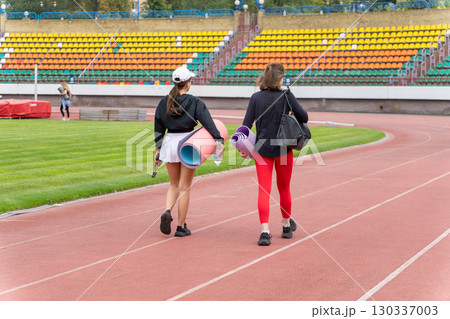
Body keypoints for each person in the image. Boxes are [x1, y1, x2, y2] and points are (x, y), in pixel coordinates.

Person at [242, 62, 308, 246]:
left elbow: (246, 126)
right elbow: (305, 117)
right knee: (284, 189)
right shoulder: (286, 96)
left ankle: (265, 231)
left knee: (264, 190)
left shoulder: (255, 98)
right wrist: (290, 100)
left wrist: (244, 148)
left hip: (262, 148)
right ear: (279, 79)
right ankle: (286, 226)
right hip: (283, 148)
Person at [154, 66, 225, 237]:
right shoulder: (194, 102)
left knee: (173, 185)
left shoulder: (165, 101)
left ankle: (167, 211)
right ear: (187, 84)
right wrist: (218, 140)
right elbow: (208, 122)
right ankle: (180, 227)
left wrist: (158, 149)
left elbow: (158, 126)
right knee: (184, 187)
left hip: (170, 143)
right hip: (189, 144)